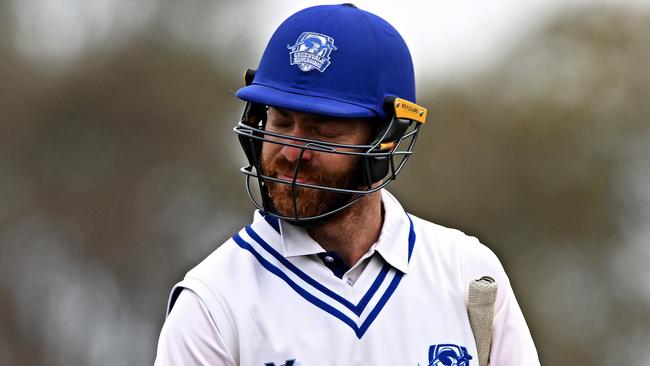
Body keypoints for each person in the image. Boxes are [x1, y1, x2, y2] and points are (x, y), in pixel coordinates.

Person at [154, 4, 539, 365]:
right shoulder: (212, 300)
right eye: (281, 123)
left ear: (386, 138)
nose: (291, 152)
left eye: (324, 131)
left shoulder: (470, 274)